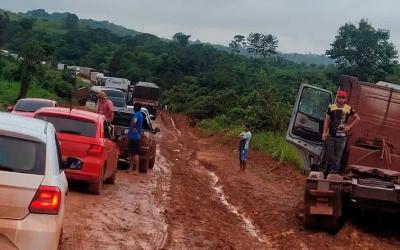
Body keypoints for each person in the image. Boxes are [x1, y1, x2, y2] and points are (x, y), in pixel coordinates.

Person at [322, 90, 360, 174]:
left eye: (343, 98)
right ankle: (322, 170)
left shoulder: (348, 108)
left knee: (338, 155)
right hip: (331, 134)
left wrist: (349, 126)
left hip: (342, 137)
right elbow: (327, 120)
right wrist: (324, 132)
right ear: (337, 98)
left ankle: (333, 172)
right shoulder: (331, 107)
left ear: (345, 99)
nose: (341, 99)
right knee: (327, 153)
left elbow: (357, 118)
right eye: (340, 97)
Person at [127, 103, 143, 172]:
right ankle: (131, 168)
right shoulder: (141, 115)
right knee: (131, 153)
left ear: (135, 108)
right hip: (135, 136)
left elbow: (134, 121)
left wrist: (133, 127)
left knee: (135, 154)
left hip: (134, 137)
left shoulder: (137, 114)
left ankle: (136, 170)